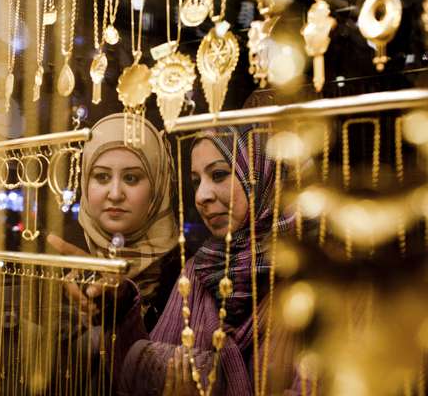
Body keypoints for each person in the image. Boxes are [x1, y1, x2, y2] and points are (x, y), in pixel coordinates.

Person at [112, 125, 297, 395]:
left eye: (219, 174)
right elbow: (146, 369)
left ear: (262, 175)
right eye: (196, 181)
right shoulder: (201, 270)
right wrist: (119, 306)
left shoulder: (309, 276)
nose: (201, 196)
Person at [48, 112, 182, 331]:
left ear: (158, 186)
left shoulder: (183, 269)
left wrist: (124, 303)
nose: (116, 194)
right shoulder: (62, 257)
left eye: (131, 178)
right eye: (102, 177)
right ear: (85, 181)